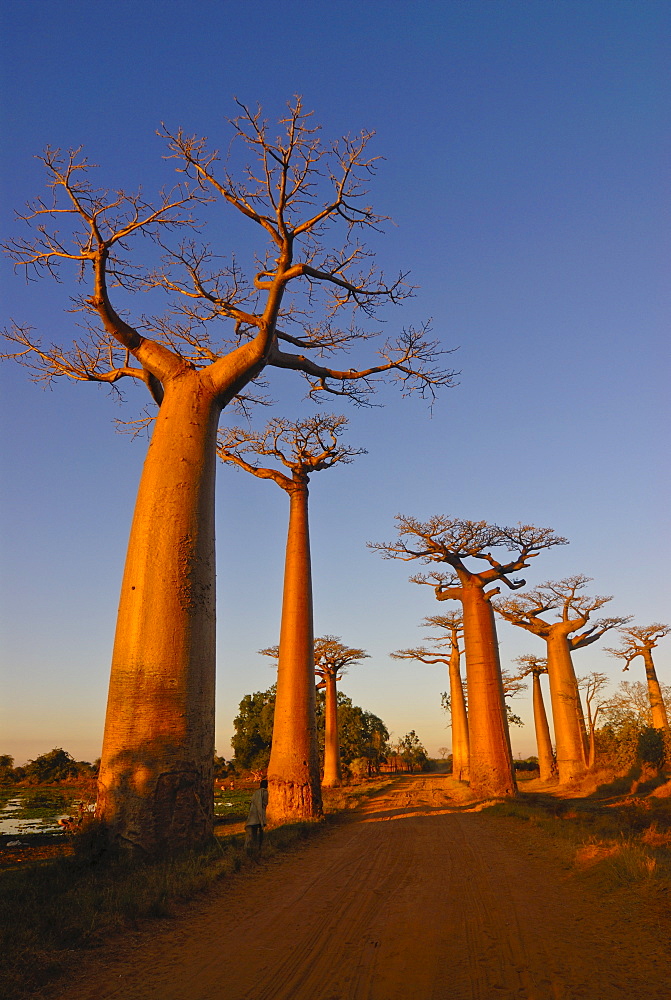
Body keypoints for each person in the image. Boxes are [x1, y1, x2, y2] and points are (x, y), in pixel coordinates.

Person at [245, 779, 268, 856]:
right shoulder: (264, 793)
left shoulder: (256, 793)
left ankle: (254, 850)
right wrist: (262, 820)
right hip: (256, 816)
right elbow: (261, 805)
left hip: (253, 816)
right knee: (256, 833)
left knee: (253, 834)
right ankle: (257, 849)